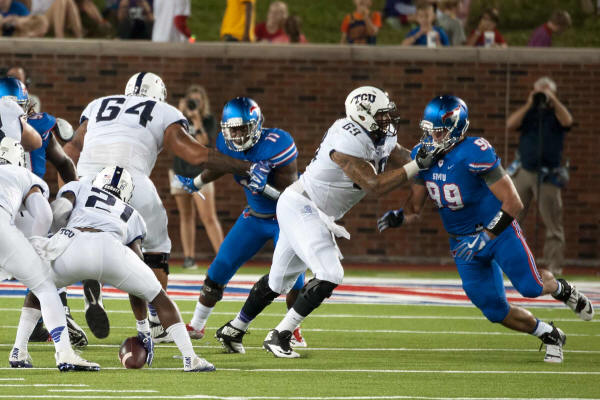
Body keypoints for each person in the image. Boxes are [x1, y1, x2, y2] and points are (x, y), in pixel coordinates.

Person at [212, 86, 441, 358]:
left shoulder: (380, 134)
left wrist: (433, 159)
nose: (387, 120)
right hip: (303, 206)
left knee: (278, 281)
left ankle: (234, 329)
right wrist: (418, 165)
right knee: (331, 273)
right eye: (381, 115)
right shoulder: (346, 136)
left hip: (306, 208)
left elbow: (402, 154)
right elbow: (374, 185)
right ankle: (280, 334)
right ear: (363, 115)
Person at [377, 95, 593, 363]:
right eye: (429, 130)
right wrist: (400, 216)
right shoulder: (423, 155)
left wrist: (485, 237)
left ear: (456, 127)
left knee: (531, 286)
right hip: (463, 244)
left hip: (498, 233)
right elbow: (415, 207)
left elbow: (514, 202)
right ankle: (549, 334)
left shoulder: (474, 151)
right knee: (494, 310)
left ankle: (563, 289)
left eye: (439, 131)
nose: (432, 137)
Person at [63, 71, 263, 343]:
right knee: (156, 248)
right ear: (160, 95)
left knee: (83, 235)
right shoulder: (162, 110)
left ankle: (75, 295)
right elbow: (195, 155)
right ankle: (156, 322)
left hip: (86, 182)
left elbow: (71, 149)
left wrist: (69, 189)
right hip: (131, 181)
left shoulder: (99, 104)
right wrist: (245, 166)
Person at [11, 166, 216, 372]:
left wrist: (50, 237)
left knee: (40, 290)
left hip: (71, 242)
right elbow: (137, 269)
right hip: (111, 248)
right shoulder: (133, 214)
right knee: (159, 297)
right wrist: (143, 329)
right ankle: (190, 359)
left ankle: (20, 351)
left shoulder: (80, 186)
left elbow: (59, 211)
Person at [177, 97, 307, 348]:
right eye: (232, 129)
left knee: (295, 281)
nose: (236, 135)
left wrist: (266, 187)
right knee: (219, 268)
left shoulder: (278, 144)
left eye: (242, 129)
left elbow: (291, 196)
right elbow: (221, 166)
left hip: (286, 218)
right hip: (255, 216)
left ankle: (292, 330)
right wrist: (197, 182)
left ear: (256, 125)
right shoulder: (226, 144)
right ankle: (197, 325)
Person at [3, 72, 87, 347]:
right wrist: (73, 197)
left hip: (20, 202)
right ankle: (59, 314)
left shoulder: (34, 125)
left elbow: (62, 162)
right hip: (25, 201)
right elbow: (62, 162)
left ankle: (51, 317)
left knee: (42, 256)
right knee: (46, 256)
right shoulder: (34, 124)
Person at [0, 137, 98, 371]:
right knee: (46, 287)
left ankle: (19, 351)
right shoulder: (23, 175)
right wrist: (37, 244)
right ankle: (65, 354)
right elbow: (44, 214)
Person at [506, 77, 572, 275]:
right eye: (539, 91)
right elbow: (510, 124)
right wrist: (530, 103)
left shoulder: (557, 113)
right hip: (524, 171)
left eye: (546, 91)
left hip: (548, 175)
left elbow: (568, 121)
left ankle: (554, 266)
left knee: (553, 223)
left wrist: (553, 99)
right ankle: (512, 263)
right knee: (512, 218)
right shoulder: (529, 112)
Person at [170, 85, 224, 269]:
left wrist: (197, 120)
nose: (194, 104)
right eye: (191, 100)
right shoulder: (179, 120)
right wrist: (179, 114)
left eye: (197, 101)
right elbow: (172, 139)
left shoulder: (208, 120)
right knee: (186, 216)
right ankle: (189, 258)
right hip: (179, 172)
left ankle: (223, 258)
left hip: (201, 175)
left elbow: (204, 143)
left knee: (208, 217)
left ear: (203, 103)